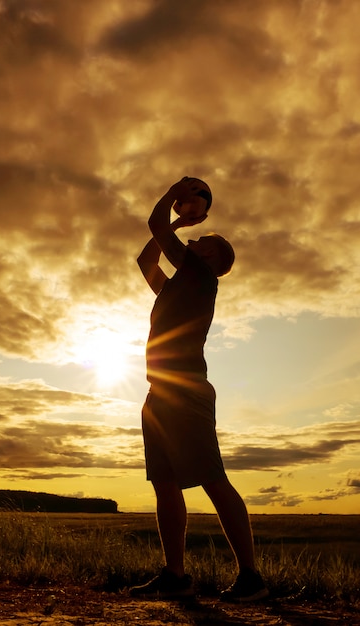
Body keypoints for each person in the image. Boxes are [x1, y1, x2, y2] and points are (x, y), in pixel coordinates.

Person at [130, 177, 268, 602]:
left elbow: (154, 224)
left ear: (211, 258)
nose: (197, 240)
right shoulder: (177, 285)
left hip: (186, 392)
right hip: (160, 392)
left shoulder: (200, 275)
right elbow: (144, 261)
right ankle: (175, 576)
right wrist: (177, 224)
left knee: (211, 478)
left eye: (204, 239)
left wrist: (176, 195)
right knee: (165, 484)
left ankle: (251, 578)